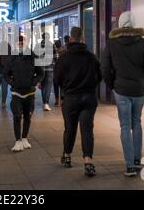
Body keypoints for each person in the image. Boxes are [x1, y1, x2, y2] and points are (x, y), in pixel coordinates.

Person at [101, 11, 144, 177]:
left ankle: (130, 166)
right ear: (134, 24)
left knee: (125, 125)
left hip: (121, 89)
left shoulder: (112, 44)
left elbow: (104, 68)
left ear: (120, 24)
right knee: (136, 122)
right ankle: (138, 159)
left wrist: (112, 84)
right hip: (139, 88)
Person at [55, 27, 102, 177]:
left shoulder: (63, 58)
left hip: (71, 98)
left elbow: (57, 79)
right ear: (82, 38)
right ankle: (88, 162)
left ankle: (67, 156)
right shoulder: (91, 57)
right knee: (87, 129)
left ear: (70, 39)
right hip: (89, 97)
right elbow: (99, 76)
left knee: (70, 128)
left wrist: (66, 89)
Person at [4, 36, 44, 152]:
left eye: (22, 42)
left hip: (29, 92)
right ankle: (18, 141)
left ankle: (25, 138)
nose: (20, 44)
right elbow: (5, 74)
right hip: (16, 92)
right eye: (19, 42)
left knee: (27, 116)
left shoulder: (33, 57)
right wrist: (12, 83)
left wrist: (33, 82)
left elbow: (41, 73)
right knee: (17, 116)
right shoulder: (11, 58)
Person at [36, 33, 56, 111]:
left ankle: (44, 101)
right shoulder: (52, 45)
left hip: (41, 69)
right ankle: (46, 103)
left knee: (43, 86)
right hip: (50, 69)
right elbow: (56, 57)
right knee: (48, 86)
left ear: (42, 37)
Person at [53, 40, 64, 107]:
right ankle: (62, 101)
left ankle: (57, 100)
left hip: (56, 72)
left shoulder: (54, 51)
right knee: (62, 86)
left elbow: (54, 61)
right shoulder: (64, 52)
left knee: (56, 86)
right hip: (63, 72)